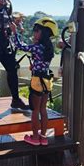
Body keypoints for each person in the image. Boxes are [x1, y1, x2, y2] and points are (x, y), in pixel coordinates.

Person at [14, 17, 58, 146]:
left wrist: (14, 32)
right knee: (43, 110)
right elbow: (42, 63)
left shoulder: (37, 47)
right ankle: (43, 138)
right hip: (47, 80)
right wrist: (35, 65)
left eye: (36, 30)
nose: (34, 33)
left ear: (43, 32)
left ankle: (34, 138)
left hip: (37, 81)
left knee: (35, 111)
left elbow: (20, 46)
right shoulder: (49, 47)